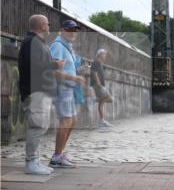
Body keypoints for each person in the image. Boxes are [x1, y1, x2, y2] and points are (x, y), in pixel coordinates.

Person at [18, 14, 61, 175]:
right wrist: (54, 64)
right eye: (48, 24)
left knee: (40, 125)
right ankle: (31, 162)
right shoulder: (32, 42)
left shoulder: (36, 42)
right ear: (42, 25)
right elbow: (35, 65)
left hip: (40, 90)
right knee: (37, 126)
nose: (49, 26)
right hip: (36, 91)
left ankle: (34, 160)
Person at [48, 20, 87, 168]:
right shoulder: (58, 46)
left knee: (72, 121)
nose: (73, 33)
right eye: (69, 29)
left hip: (68, 88)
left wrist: (78, 72)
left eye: (75, 30)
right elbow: (55, 71)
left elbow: (66, 68)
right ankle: (56, 157)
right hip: (62, 88)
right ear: (62, 30)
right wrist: (74, 78)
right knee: (66, 121)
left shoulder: (66, 46)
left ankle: (60, 153)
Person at [90, 48, 114, 127]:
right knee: (110, 98)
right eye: (104, 54)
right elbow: (94, 73)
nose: (105, 56)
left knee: (102, 102)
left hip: (100, 85)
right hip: (98, 86)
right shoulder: (96, 62)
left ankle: (102, 121)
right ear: (100, 54)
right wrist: (98, 83)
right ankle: (95, 99)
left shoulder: (99, 63)